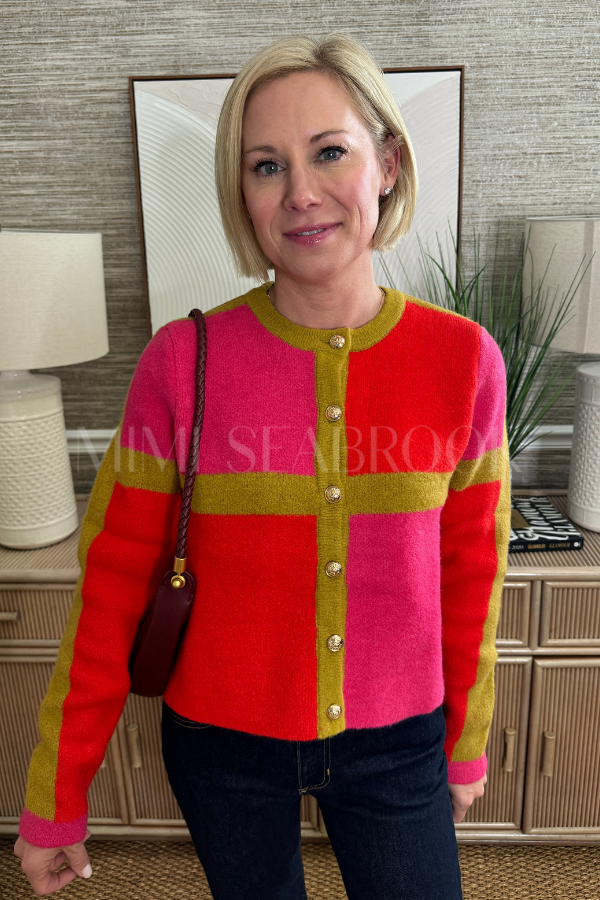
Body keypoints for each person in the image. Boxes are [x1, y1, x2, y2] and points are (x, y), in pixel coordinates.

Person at [15, 31, 510, 899]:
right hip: (223, 750)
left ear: (387, 164)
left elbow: (473, 572)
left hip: (400, 742)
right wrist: (56, 797)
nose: (301, 193)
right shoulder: (180, 362)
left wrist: (465, 742)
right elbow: (113, 586)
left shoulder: (463, 360)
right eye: (266, 166)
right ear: (240, 193)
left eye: (330, 152)